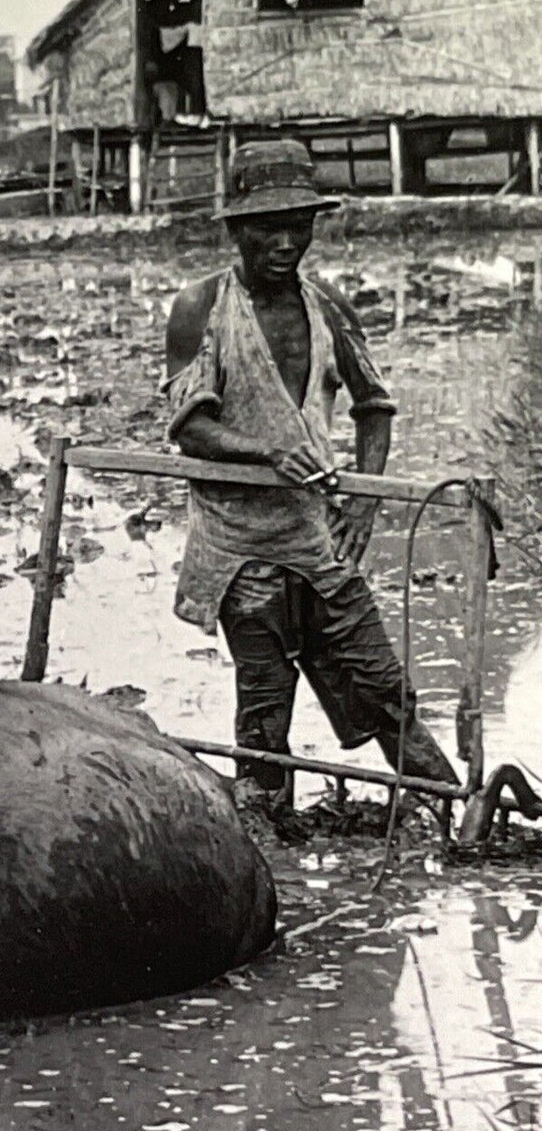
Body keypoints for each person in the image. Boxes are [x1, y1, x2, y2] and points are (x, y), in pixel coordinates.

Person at [164, 139, 457, 812]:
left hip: (316, 536)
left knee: (385, 691)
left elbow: (374, 407)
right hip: (238, 545)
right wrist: (265, 453)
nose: (285, 242)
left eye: (298, 225)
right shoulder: (201, 307)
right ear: (236, 229)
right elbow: (187, 426)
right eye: (267, 227)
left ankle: (452, 814)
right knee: (265, 715)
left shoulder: (326, 305)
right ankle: (270, 854)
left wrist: (362, 503)